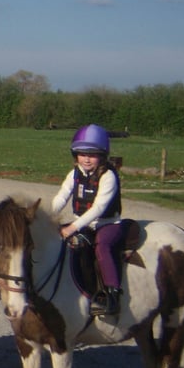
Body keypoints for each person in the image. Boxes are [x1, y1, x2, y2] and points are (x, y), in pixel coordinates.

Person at [51, 124, 124, 317]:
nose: (87, 159)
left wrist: (73, 227)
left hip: (107, 224)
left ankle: (111, 295)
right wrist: (46, 216)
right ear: (76, 155)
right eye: (82, 154)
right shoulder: (74, 174)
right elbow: (61, 197)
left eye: (92, 155)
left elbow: (99, 208)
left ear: (102, 156)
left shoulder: (108, 176)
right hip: (81, 223)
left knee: (102, 247)